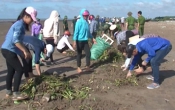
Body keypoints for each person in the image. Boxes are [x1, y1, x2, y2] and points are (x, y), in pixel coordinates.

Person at [1, 6, 37, 100]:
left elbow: (16, 42)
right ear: (26, 16)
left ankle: (8, 92)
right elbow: (16, 41)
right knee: (19, 70)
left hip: (6, 49)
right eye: (31, 19)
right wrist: (24, 50)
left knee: (11, 71)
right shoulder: (19, 25)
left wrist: (22, 52)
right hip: (9, 50)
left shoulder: (19, 24)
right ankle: (16, 93)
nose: (31, 21)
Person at [73, 9, 96, 73]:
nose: (85, 16)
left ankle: (87, 67)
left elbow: (88, 33)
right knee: (79, 54)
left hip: (85, 41)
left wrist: (92, 38)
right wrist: (74, 42)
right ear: (82, 15)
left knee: (88, 53)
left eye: (87, 15)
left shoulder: (87, 23)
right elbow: (76, 32)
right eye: (84, 15)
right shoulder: (78, 22)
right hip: (79, 41)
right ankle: (78, 67)